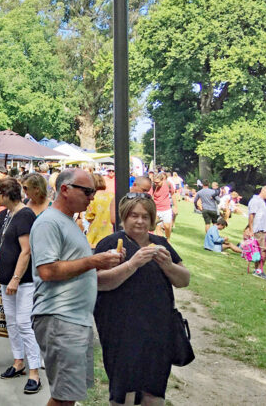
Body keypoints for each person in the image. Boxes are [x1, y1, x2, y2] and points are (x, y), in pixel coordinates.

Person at [30, 168, 123, 406]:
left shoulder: (68, 222)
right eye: (87, 191)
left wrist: (100, 263)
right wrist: (94, 261)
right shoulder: (49, 222)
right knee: (63, 398)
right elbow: (47, 270)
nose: (92, 197)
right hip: (60, 318)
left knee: (69, 397)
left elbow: (74, 266)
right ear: (65, 189)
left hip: (74, 320)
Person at [94, 193, 190, 406]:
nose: (139, 221)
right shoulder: (111, 243)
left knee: (154, 390)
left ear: (152, 219)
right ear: (123, 217)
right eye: (133, 215)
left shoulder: (160, 243)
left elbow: (184, 280)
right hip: (121, 329)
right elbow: (98, 282)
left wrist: (168, 265)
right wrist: (131, 264)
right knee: (124, 392)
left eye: (145, 216)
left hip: (158, 330)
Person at [0, 177, 42, 394]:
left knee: (23, 322)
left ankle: (34, 372)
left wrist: (15, 278)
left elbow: (26, 250)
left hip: (23, 281)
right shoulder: (7, 215)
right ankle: (18, 361)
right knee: (11, 322)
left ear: (5, 195)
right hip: (7, 278)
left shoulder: (24, 215)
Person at [85, 174, 114, 248]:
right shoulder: (113, 196)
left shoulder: (92, 198)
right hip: (112, 233)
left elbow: (89, 217)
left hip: (96, 235)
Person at [248, 186, 266, 276]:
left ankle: (257, 270)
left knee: (258, 252)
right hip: (258, 231)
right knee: (263, 252)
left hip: (263, 230)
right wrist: (251, 230)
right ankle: (258, 271)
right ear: (263, 190)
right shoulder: (256, 201)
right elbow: (251, 215)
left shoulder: (262, 202)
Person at [151, 173, 174, 240]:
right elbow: (150, 196)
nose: (156, 184)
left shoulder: (168, 184)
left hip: (166, 209)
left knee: (167, 226)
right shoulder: (153, 186)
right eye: (154, 182)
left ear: (162, 180)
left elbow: (173, 194)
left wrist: (175, 206)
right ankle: (161, 242)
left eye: (157, 182)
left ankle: (168, 238)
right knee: (158, 227)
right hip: (156, 209)